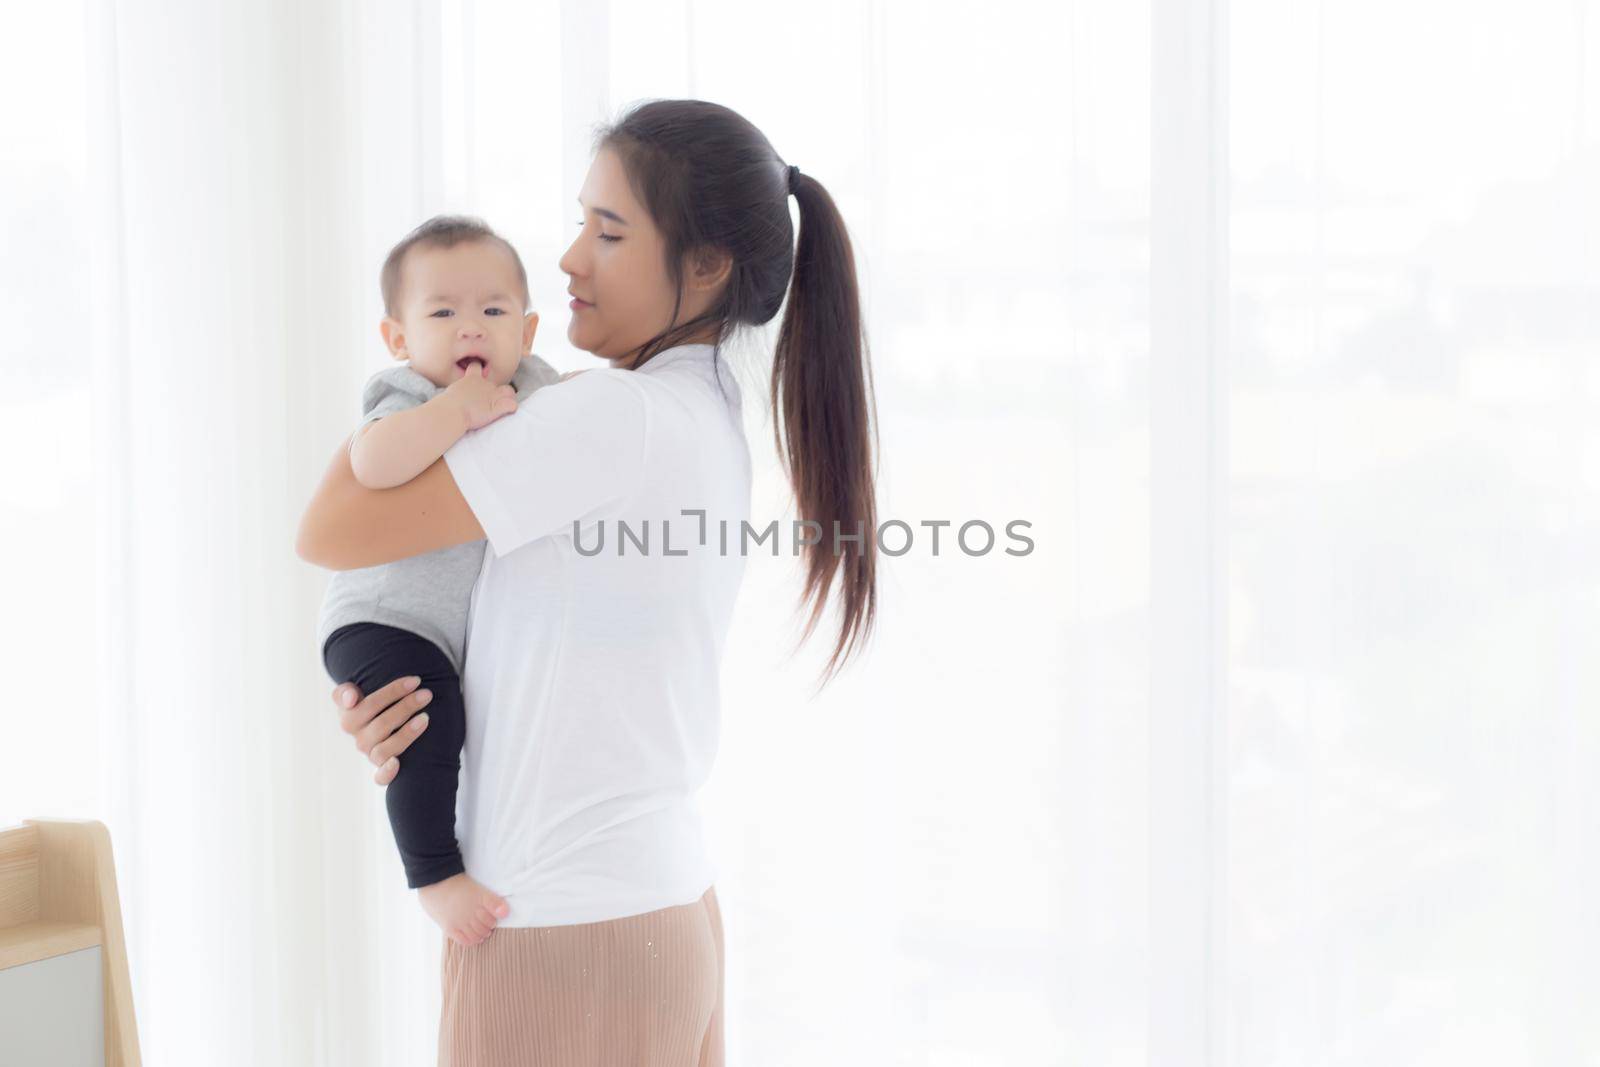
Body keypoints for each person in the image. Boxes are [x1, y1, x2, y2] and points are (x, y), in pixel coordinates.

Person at [297, 97, 881, 1067]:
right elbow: (556, 642)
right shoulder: (699, 408)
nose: (567, 260)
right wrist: (414, 686)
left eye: (607, 231)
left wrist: (405, 387)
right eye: (578, 222)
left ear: (706, 267)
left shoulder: (609, 414)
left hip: (562, 926)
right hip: (657, 906)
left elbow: (329, 530)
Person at [315, 214, 559, 948]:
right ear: (399, 338)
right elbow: (373, 464)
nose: (470, 331)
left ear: (529, 327)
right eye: (443, 313)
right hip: (385, 617)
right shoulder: (407, 394)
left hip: (443, 626)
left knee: (447, 719)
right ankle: (433, 875)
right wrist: (453, 410)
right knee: (429, 724)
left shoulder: (536, 386)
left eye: (493, 311)